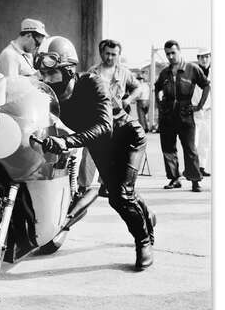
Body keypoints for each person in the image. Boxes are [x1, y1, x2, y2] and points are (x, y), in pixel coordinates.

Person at [36, 36, 156, 269]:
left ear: (69, 70)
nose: (47, 79)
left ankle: (143, 242)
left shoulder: (93, 82)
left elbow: (104, 126)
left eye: (53, 74)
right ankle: (147, 216)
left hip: (127, 138)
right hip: (99, 146)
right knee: (121, 192)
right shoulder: (50, 96)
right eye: (43, 74)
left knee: (119, 197)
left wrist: (67, 141)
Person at [78, 39, 141, 198]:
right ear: (101, 53)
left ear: (119, 55)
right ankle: (83, 186)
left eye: (114, 54)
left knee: (113, 153)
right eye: (107, 53)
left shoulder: (124, 73)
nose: (110, 57)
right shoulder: (93, 71)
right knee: (90, 153)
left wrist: (128, 99)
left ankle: (105, 184)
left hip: (116, 119)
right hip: (96, 118)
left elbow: (138, 88)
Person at [155, 40, 210, 192]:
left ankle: (194, 180)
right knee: (168, 148)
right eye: (168, 54)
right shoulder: (165, 72)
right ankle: (174, 178)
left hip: (185, 114)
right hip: (167, 116)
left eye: (173, 53)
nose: (171, 56)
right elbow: (157, 88)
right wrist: (160, 106)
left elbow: (206, 85)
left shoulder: (192, 68)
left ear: (179, 51)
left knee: (190, 149)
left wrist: (199, 106)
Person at [192, 48, 211, 177]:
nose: (204, 59)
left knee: (206, 141)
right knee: (193, 142)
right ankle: (192, 167)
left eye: (207, 56)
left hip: (209, 112)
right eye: (201, 57)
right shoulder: (192, 71)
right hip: (195, 111)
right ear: (198, 58)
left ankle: (202, 167)